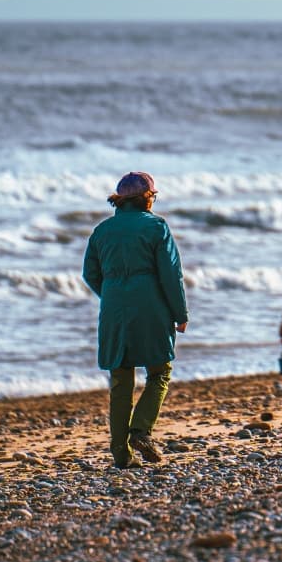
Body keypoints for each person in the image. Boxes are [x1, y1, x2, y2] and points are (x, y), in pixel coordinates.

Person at [81, 171, 189, 469]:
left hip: (113, 309)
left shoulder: (102, 231)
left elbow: (89, 273)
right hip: (151, 306)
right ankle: (140, 430)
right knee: (159, 372)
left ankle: (121, 453)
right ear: (146, 198)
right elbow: (171, 274)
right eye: (153, 196)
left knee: (120, 380)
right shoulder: (156, 227)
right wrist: (180, 314)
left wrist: (112, 294)